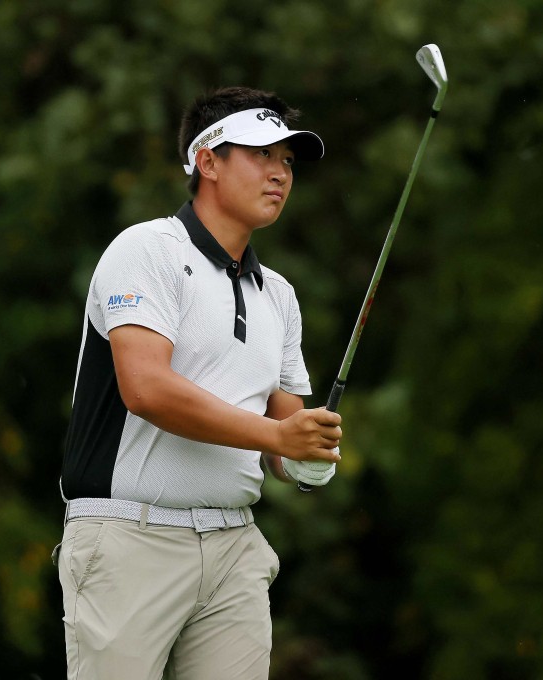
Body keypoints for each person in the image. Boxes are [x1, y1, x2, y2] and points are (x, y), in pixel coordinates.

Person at [55, 86, 342, 680]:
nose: (280, 174)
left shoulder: (280, 296)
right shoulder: (146, 251)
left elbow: (285, 441)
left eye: (287, 162)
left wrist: (309, 455)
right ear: (207, 160)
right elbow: (147, 390)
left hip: (234, 549)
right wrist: (279, 437)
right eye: (262, 155)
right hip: (127, 536)